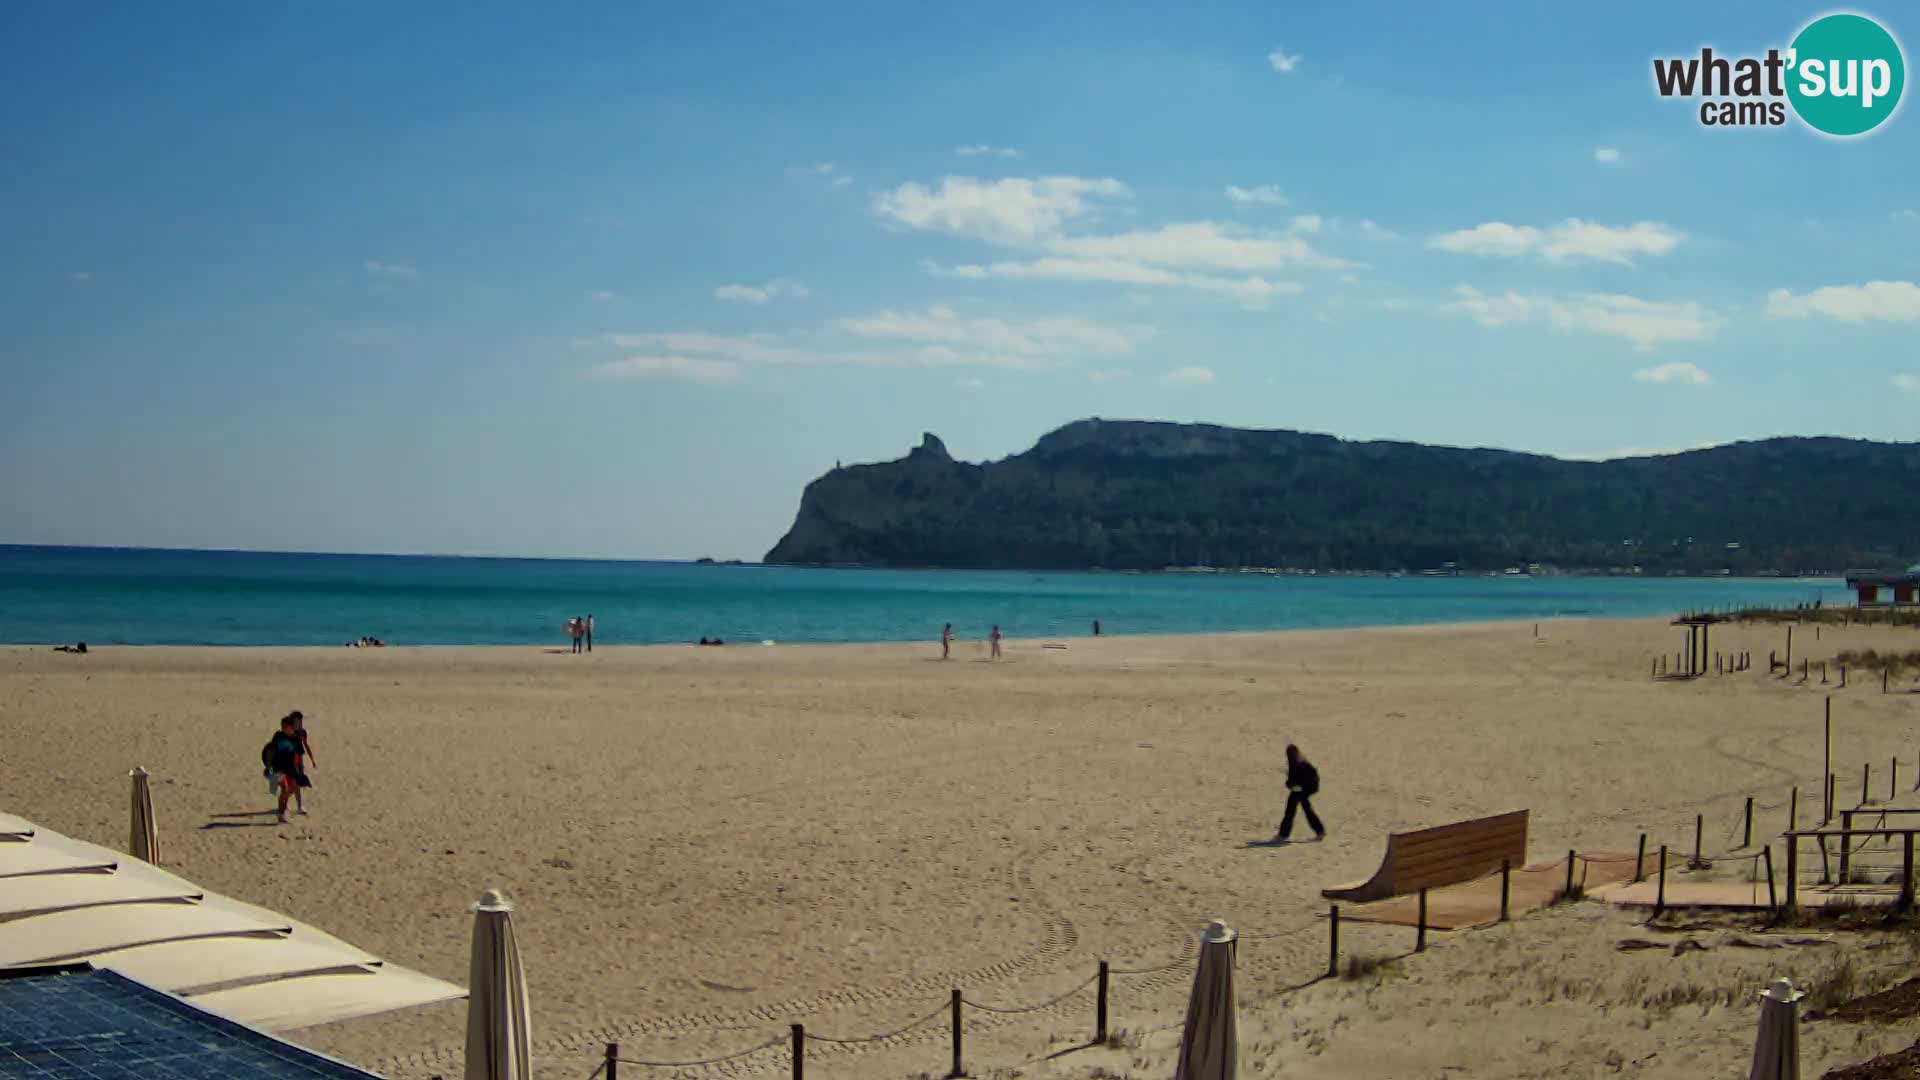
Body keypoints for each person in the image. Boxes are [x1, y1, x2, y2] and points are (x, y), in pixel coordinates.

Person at [1274, 744, 1326, 843]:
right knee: (1295, 809)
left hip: (1306, 789)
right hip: (1300, 789)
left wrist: (1297, 786)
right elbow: (1291, 781)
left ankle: (1283, 834)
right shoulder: (1295, 763)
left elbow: (1307, 780)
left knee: (1297, 809)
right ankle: (1320, 831)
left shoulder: (1302, 764)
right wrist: (1291, 785)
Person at [262, 715, 304, 824]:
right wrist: (268, 766)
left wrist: (299, 769)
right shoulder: (279, 736)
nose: (283, 728)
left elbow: (298, 755)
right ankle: (281, 815)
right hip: (277, 766)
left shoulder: (296, 739)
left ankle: (282, 811)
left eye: (286, 726)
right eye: (282, 726)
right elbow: (270, 751)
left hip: (290, 767)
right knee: (284, 789)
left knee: (289, 790)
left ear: (292, 727)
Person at [289, 710, 314, 816]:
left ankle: (298, 805)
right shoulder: (288, 732)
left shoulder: (302, 732)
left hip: (299, 760)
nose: (299, 724)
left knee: (297, 783)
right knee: (293, 784)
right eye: (297, 722)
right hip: (289, 761)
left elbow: (306, 745)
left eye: (300, 722)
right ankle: (293, 805)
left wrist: (312, 759)